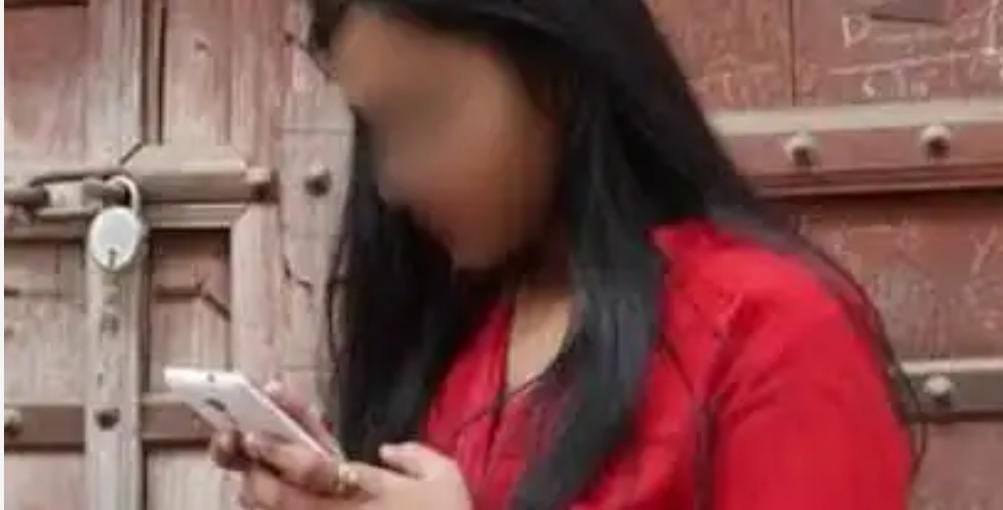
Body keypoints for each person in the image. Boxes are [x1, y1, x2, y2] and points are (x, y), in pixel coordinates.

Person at [211, 1, 916, 508]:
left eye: (424, 116)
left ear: (559, 74)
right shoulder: (463, 338)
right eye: (377, 131)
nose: (393, 182)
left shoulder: (768, 329)